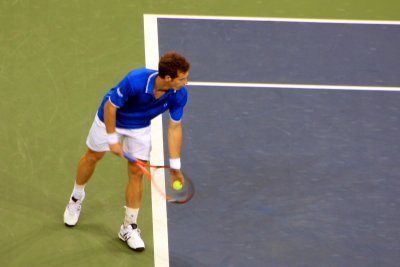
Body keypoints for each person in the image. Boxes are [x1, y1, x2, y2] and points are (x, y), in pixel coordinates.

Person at [63, 52, 190, 252]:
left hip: (139, 127)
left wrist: (175, 166)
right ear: (168, 78)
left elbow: (175, 128)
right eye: (182, 78)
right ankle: (76, 198)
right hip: (110, 118)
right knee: (93, 157)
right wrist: (113, 140)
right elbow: (111, 107)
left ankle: (128, 227)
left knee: (137, 172)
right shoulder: (135, 80)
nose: (186, 82)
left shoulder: (180, 94)